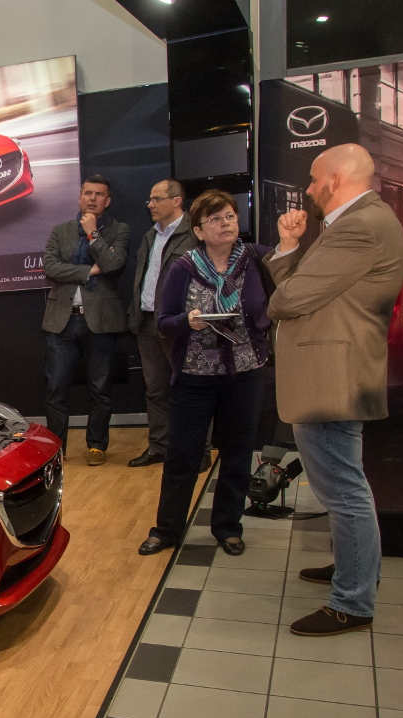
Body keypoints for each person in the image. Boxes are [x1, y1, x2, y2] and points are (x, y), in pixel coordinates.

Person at [264, 143, 403, 637]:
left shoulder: (360, 226)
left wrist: (285, 289)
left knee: (344, 492)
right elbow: (303, 289)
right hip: (332, 374)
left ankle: (353, 601)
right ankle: (354, 568)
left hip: (332, 377)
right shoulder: (355, 224)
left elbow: (289, 298)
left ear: (335, 179)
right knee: (343, 488)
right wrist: (288, 249)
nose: (308, 188)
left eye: (313, 178)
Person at [138, 191, 271, 558]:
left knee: (237, 454)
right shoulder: (184, 267)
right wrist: (189, 321)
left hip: (246, 373)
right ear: (198, 230)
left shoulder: (256, 258)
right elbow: (164, 323)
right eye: (215, 219)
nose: (225, 223)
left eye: (229, 216)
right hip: (195, 376)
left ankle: (228, 528)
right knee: (182, 455)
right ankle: (167, 530)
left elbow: (280, 295)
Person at [41, 174, 130, 464]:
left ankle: (96, 446)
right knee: (56, 390)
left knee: (100, 389)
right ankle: (57, 450)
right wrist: (89, 271)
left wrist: (93, 234)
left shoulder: (119, 230)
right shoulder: (60, 231)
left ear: (108, 201)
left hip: (101, 321)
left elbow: (114, 264)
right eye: (88, 193)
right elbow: (51, 267)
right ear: (79, 197)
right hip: (62, 321)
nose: (92, 198)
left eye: (99, 194)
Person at [126, 179, 198, 468]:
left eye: (156, 199)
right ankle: (160, 447)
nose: (150, 204)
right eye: (150, 199)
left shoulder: (193, 233)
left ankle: (198, 450)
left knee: (190, 389)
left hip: (178, 324)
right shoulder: (150, 235)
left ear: (177, 200)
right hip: (147, 323)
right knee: (155, 390)